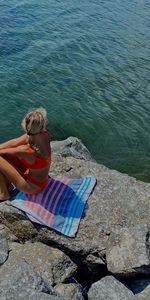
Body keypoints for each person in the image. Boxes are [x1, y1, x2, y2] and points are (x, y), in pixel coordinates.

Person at [0, 108, 51, 200]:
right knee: (7, 157)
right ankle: (8, 184)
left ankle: (4, 194)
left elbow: (4, 151)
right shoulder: (45, 134)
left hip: (31, 187)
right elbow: (14, 142)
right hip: (41, 181)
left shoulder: (26, 151)